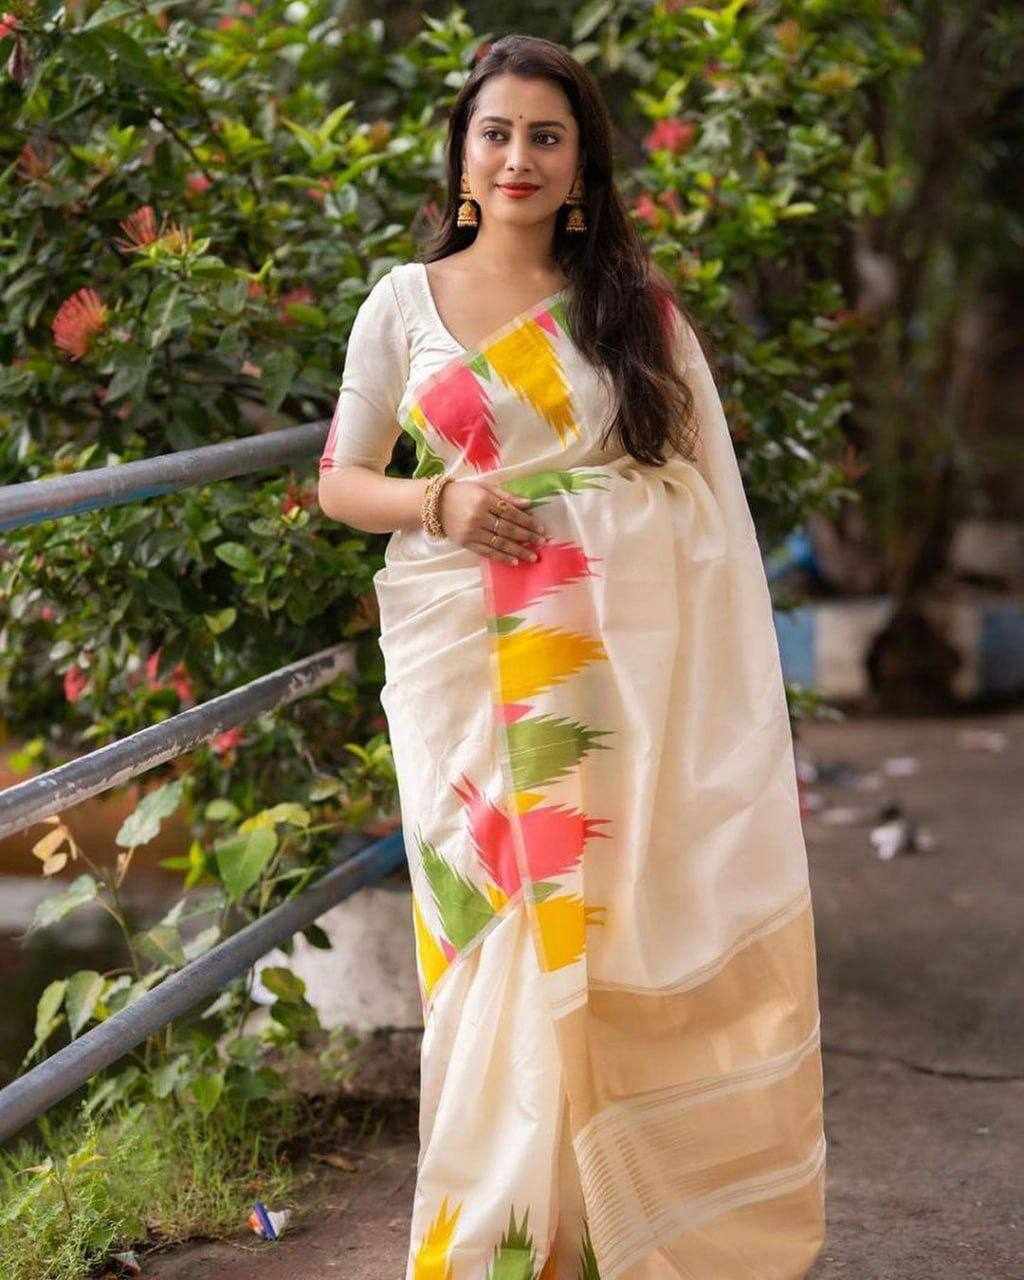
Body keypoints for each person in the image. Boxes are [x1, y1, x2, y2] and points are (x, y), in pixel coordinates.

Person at [318, 33, 827, 1280]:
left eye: (545, 136)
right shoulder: (401, 303)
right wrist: (439, 502)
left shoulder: (631, 315)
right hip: (460, 662)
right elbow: (340, 480)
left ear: (582, 165)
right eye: (495, 133)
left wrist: (574, 522)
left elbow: (696, 502)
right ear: (461, 155)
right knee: (489, 935)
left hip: (607, 676)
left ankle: (605, 1228)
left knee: (598, 929)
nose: (518, 157)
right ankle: (497, 1239)